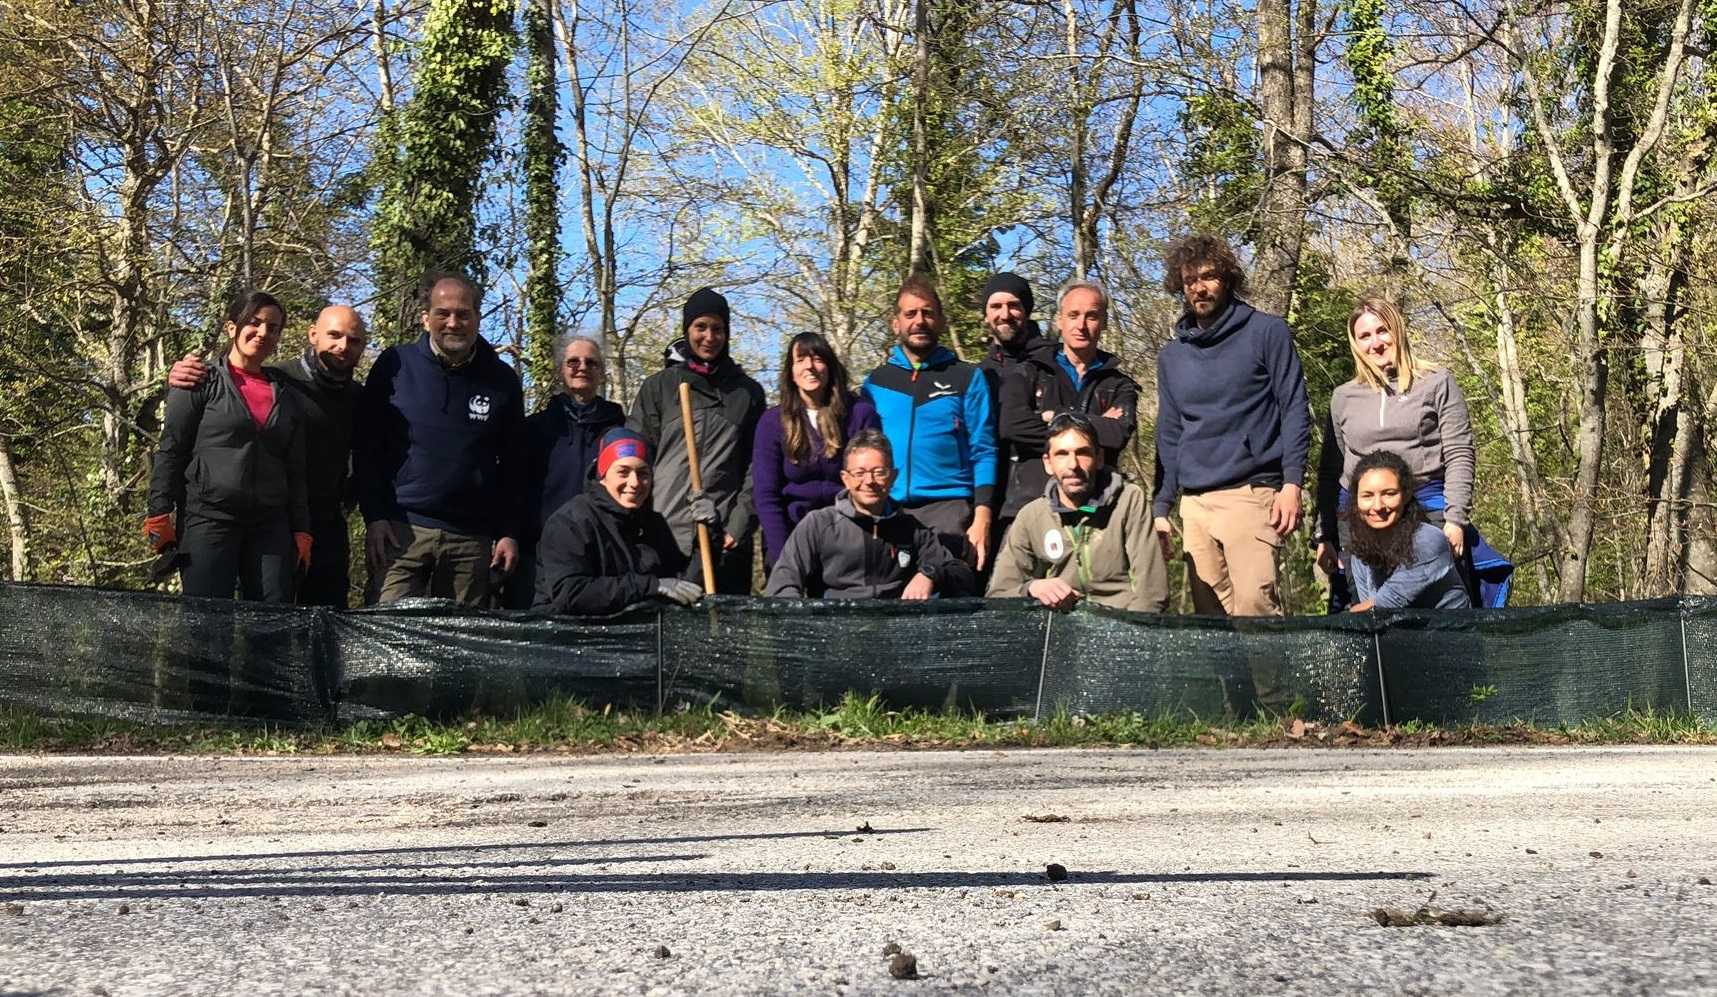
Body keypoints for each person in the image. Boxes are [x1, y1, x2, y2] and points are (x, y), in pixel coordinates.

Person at [167, 304, 368, 607]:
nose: (343, 346)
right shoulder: (278, 381)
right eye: (334, 335)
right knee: (246, 616)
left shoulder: (360, 398)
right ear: (313, 335)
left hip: (326, 525)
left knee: (323, 621)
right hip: (270, 520)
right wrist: (183, 372)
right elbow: (226, 394)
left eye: (353, 340)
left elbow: (372, 455)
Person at [1152, 234, 1311, 617]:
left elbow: (1293, 406)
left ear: (1227, 278)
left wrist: (1292, 483)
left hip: (1252, 493)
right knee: (1212, 621)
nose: (1199, 288)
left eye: (1208, 277)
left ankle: (1272, 682)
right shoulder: (1172, 357)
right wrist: (1162, 506)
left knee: (1256, 607)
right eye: (1190, 280)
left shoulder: (1267, 332)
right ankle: (1234, 683)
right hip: (1195, 504)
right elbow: (1170, 432)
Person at [1316, 295, 1510, 607]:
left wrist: (1456, 519)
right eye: (1364, 336)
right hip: (1362, 521)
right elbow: (1333, 472)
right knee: (1369, 615)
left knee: (1437, 609)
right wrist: (1324, 535)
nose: (1375, 343)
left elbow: (1460, 452)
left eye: (1382, 331)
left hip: (1428, 513)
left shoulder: (1435, 382)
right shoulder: (1343, 397)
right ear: (1355, 343)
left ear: (1398, 331)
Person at [357, 272, 526, 607]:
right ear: (426, 318)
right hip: (401, 532)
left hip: (471, 540)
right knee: (386, 639)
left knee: (461, 646)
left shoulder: (502, 379)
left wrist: (508, 531)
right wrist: (375, 515)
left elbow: (514, 465)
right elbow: (366, 446)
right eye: (443, 313)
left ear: (477, 318)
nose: (453, 322)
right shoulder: (395, 364)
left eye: (463, 314)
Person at [146, 289, 311, 603]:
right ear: (232, 327)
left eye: (273, 328)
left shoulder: (287, 393)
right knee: (207, 625)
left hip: (269, 524)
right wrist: (159, 513)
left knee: (271, 622)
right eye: (255, 322)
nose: (263, 332)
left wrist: (302, 530)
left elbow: (296, 469)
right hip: (208, 519)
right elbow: (172, 448)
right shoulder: (200, 380)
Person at [627, 287, 767, 594]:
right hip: (664, 535)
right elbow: (636, 457)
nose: (709, 337)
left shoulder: (747, 394)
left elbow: (756, 468)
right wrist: (637, 522)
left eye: (717, 329)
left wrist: (737, 526)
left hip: (723, 540)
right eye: (700, 327)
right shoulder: (660, 387)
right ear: (687, 330)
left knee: (721, 636)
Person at [861, 275, 999, 568]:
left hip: (949, 509)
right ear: (895, 323)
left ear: (941, 321)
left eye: (928, 313)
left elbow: (984, 450)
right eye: (910, 314)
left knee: (947, 602)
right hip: (888, 509)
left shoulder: (966, 377)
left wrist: (982, 518)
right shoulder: (876, 383)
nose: (919, 321)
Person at [764, 430, 976, 599]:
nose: (869, 481)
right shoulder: (818, 525)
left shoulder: (912, 530)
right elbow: (782, 585)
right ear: (845, 478)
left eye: (879, 472)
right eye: (860, 473)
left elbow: (961, 574)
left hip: (894, 637)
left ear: (893, 477)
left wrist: (930, 573)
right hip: (833, 636)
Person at [989, 412, 1168, 612]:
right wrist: (1031, 588)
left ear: (1099, 458)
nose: (1073, 465)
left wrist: (1128, 636)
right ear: (1048, 463)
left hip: (1121, 624)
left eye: (1082, 453)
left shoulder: (1129, 500)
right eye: (1062, 454)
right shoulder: (1031, 516)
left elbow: (1152, 593)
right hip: (1058, 629)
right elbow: (999, 594)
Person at [996, 280, 1139, 528]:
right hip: (1031, 506)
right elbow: (1012, 426)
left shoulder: (1118, 384)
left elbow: (1118, 434)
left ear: (1103, 322)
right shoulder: (1029, 373)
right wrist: (1096, 426)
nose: (1081, 325)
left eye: (1091, 316)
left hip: (1099, 510)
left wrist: (1055, 415)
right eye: (1073, 315)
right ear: (1059, 320)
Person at [508, 334, 625, 609]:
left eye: (590, 362)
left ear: (601, 372)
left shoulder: (619, 433)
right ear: (561, 369)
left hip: (600, 557)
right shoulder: (534, 429)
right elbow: (513, 489)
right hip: (538, 558)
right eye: (573, 361)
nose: (581, 367)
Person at [533, 428, 703, 615]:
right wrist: (648, 586)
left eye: (643, 473)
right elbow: (570, 593)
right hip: (569, 636)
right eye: (623, 472)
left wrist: (708, 537)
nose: (635, 483)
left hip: (637, 637)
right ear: (603, 476)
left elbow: (680, 586)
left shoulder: (653, 523)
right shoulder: (570, 522)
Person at [752, 332, 880, 568]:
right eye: (800, 360)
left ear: (830, 366)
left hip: (850, 541)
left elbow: (872, 485)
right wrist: (785, 561)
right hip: (790, 539)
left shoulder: (860, 414)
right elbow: (766, 496)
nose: (810, 367)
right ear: (790, 371)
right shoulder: (771, 423)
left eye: (818, 359)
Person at [1342, 451, 1471, 611]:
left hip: (1447, 633)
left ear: (1406, 495)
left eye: (1389, 494)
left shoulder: (1429, 542)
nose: (1378, 506)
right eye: (1367, 496)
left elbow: (1379, 607)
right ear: (1356, 501)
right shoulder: (1360, 550)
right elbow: (1370, 614)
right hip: (1395, 632)